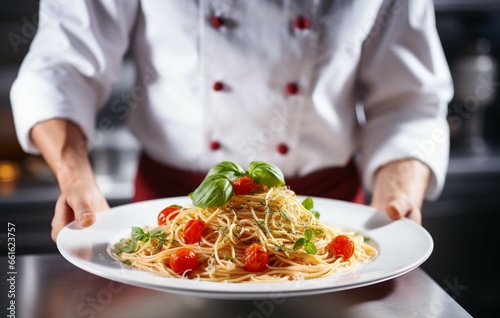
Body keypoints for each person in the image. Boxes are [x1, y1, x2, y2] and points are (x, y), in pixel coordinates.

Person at [10, 0, 453, 242]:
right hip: (173, 216)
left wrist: (397, 198)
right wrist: (74, 176)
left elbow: (410, 98)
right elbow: (61, 65)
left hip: (324, 221)